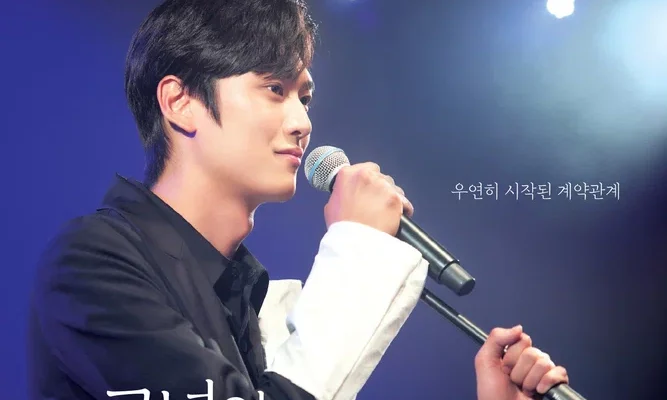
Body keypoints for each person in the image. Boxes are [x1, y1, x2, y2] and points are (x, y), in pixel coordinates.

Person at [27, 0, 569, 399]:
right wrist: (358, 248)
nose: (302, 122)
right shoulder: (92, 262)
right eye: (274, 89)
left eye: (304, 97)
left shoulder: (250, 302)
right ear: (180, 102)